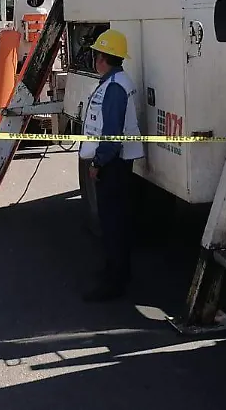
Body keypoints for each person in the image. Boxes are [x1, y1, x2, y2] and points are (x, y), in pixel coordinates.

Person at [78, 28, 144, 302]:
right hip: (115, 162)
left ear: (102, 57)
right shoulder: (114, 81)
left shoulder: (115, 86)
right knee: (114, 220)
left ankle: (115, 282)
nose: (94, 59)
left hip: (113, 165)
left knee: (113, 222)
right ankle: (114, 271)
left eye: (96, 54)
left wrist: (98, 162)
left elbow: (112, 133)